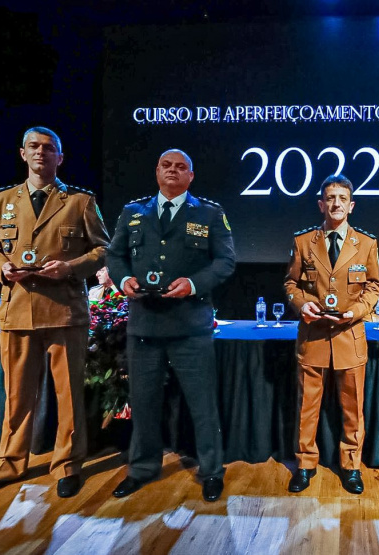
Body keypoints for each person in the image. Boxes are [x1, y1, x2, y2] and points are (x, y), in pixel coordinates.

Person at [0, 127, 110, 499]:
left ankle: (68, 466)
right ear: (22, 153)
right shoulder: (1, 200)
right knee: (17, 395)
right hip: (18, 309)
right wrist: (1, 268)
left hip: (65, 311)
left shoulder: (80, 201)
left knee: (69, 395)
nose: (40, 152)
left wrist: (70, 268)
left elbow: (102, 250)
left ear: (60, 157)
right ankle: (10, 465)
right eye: (33, 146)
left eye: (49, 148)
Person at [106, 149, 235, 503]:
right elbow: (114, 255)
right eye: (166, 165)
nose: (173, 171)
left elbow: (225, 261)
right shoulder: (133, 212)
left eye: (181, 167)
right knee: (144, 404)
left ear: (191, 176)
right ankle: (142, 469)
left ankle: (212, 471)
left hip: (191, 326)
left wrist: (192, 284)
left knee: (203, 406)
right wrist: (123, 279)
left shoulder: (210, 213)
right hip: (144, 326)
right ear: (156, 171)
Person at [284, 175, 379, 494]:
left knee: (353, 408)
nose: (336, 203)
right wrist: (302, 305)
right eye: (330, 198)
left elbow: (374, 286)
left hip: (349, 336)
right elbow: (291, 283)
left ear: (351, 206)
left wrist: (358, 310)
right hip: (312, 336)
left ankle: (351, 466)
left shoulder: (366, 243)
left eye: (342, 198)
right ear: (320, 204)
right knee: (307, 406)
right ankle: (305, 464)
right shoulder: (303, 242)